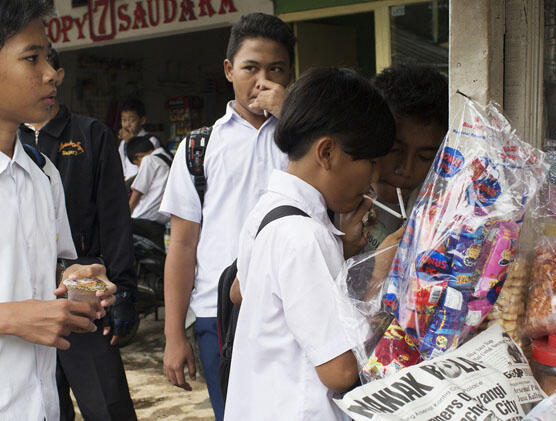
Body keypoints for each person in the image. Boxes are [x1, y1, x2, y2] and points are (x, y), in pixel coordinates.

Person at [224, 67, 396, 421]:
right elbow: (340, 372)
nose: (374, 178)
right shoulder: (305, 237)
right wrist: (380, 273)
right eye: (370, 161)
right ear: (328, 153)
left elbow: (241, 291)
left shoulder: (267, 208)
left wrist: (343, 252)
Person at [160, 12, 295, 420]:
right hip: (217, 315)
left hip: (293, 306)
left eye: (276, 69)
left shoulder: (306, 140)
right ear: (229, 70)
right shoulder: (199, 148)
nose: (262, 80)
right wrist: (173, 336)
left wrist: (293, 116)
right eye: (250, 67)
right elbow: (183, 245)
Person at [0, 1, 117, 419]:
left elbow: (50, 271)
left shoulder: (42, 171)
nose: (50, 73)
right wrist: (9, 318)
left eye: (48, 57)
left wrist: (80, 282)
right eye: (32, 58)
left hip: (41, 403)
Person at [19, 51, 138, 420]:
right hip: (23, 300)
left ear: (60, 73)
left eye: (50, 68)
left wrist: (123, 290)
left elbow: (115, 218)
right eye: (30, 62)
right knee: (43, 404)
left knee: (105, 403)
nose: (47, 78)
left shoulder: (90, 135)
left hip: (83, 285)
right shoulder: (11, 145)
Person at [363, 63, 448, 251]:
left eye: (425, 157)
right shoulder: (334, 205)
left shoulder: (440, 212)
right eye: (394, 150)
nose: (406, 170)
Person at [127, 135, 171, 249]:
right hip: (160, 224)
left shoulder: (149, 159)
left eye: (137, 164)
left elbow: (137, 191)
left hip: (142, 220)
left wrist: (125, 217)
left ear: (139, 156)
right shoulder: (169, 160)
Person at [117, 98, 160, 182]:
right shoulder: (123, 143)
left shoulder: (151, 140)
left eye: (132, 120)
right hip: (128, 185)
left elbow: (151, 166)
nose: (127, 125)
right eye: (124, 120)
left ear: (142, 120)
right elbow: (121, 165)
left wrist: (130, 141)